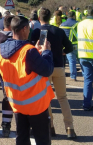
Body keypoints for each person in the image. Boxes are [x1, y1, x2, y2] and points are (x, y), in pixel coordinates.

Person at [0, 16, 54, 145]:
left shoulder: (1, 51)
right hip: (35, 104)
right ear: (24, 29)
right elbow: (47, 70)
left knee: (22, 137)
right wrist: (46, 52)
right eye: (28, 28)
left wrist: (36, 52)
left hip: (16, 103)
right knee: (42, 140)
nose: (29, 31)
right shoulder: (28, 52)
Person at [31, 8, 76, 138]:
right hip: (59, 67)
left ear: (39, 19)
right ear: (50, 17)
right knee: (62, 98)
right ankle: (70, 128)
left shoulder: (37, 32)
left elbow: (31, 49)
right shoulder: (59, 31)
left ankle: (50, 127)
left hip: (45, 68)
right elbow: (69, 47)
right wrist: (61, 53)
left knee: (47, 99)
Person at [0, 15, 15, 137]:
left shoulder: (0, 36)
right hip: (11, 70)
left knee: (7, 96)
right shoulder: (7, 36)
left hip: (4, 71)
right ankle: (7, 124)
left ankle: (6, 124)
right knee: (12, 96)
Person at [60, 11, 79, 81]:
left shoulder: (62, 24)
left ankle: (73, 76)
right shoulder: (77, 24)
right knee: (81, 61)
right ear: (74, 16)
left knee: (71, 61)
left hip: (68, 46)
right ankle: (85, 74)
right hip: (77, 45)